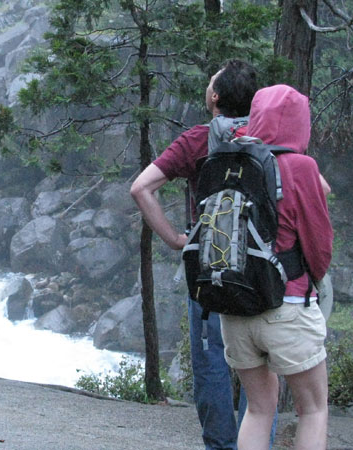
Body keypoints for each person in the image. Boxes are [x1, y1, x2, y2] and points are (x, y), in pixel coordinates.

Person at [130, 59, 274, 450]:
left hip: (211, 270)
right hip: (263, 273)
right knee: (261, 374)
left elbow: (141, 188)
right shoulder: (270, 137)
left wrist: (178, 239)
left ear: (214, 97)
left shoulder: (197, 140)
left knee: (211, 365)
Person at [220, 84, 333, 450]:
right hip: (286, 304)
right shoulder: (301, 167)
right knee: (312, 409)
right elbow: (319, 246)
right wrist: (312, 282)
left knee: (258, 409)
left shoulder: (229, 158)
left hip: (235, 305)